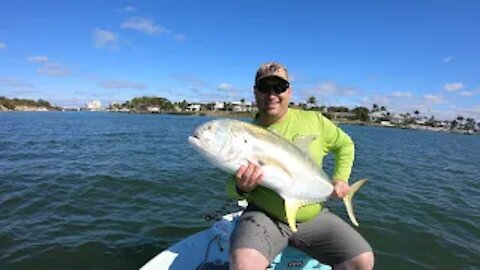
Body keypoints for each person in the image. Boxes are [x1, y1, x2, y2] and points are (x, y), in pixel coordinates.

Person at [226, 62, 374, 270]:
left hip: (312, 217)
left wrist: (340, 178)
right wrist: (242, 188)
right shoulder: (244, 134)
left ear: (289, 91)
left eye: (279, 88)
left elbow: (345, 145)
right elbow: (231, 188)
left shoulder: (315, 121)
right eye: (264, 88)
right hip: (263, 216)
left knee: (363, 260)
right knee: (243, 265)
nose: (272, 95)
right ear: (255, 92)